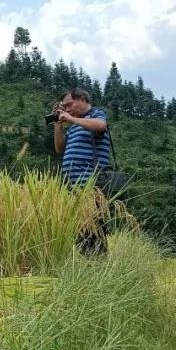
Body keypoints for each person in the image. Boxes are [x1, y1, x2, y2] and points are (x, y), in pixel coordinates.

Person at [53, 87, 112, 255]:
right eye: (65, 107)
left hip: (91, 185)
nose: (68, 109)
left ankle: (99, 268)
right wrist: (58, 125)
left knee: (93, 231)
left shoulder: (96, 114)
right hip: (73, 186)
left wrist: (71, 118)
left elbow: (101, 126)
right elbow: (59, 149)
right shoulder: (73, 126)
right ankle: (89, 268)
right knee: (80, 232)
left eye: (69, 105)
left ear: (82, 100)